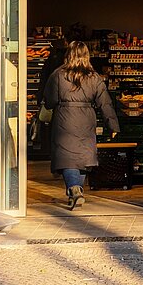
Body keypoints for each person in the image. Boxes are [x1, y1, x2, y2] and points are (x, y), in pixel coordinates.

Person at [44, 40, 119, 210]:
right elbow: (105, 103)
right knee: (83, 158)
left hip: (64, 119)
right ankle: (76, 191)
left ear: (68, 54)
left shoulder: (58, 75)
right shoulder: (94, 77)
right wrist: (113, 125)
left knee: (67, 158)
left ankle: (74, 189)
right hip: (86, 119)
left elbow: (49, 100)